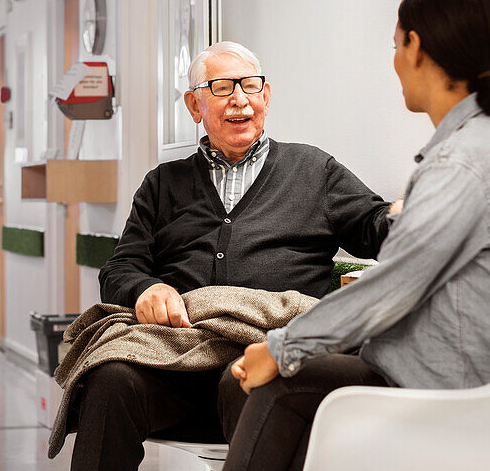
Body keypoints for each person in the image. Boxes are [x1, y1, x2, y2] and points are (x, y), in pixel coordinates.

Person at [223, 0, 490, 471]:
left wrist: (282, 346)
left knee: (276, 381)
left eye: (395, 44)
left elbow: (392, 285)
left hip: (462, 389)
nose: (395, 60)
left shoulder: (463, 162)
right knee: (274, 379)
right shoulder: (488, 146)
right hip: (476, 375)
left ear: (415, 46)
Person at [68, 41, 397, 471]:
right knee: (109, 379)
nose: (240, 99)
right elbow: (120, 268)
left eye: (250, 86)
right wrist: (146, 287)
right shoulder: (162, 184)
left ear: (266, 96)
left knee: (242, 380)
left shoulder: (314, 171)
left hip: (261, 354)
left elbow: (376, 227)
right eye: (222, 87)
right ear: (194, 104)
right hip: (177, 357)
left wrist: (409, 213)